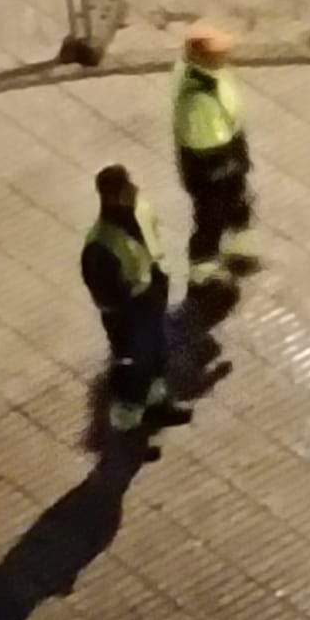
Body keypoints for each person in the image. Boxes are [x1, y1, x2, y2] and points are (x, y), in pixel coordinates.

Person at [80, 166, 192, 451]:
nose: (132, 189)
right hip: (128, 313)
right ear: (112, 196)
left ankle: (157, 404)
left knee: (156, 355)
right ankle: (126, 431)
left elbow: (150, 245)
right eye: (125, 187)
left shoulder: (137, 212)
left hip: (149, 299)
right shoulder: (100, 244)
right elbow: (105, 292)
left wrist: (158, 280)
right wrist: (128, 312)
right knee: (132, 367)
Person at [171, 23, 257, 294]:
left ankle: (236, 249)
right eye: (219, 53)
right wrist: (229, 161)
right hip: (212, 163)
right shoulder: (196, 94)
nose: (225, 57)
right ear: (203, 56)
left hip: (226, 153)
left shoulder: (210, 75)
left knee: (237, 204)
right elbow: (201, 140)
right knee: (210, 217)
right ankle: (203, 272)